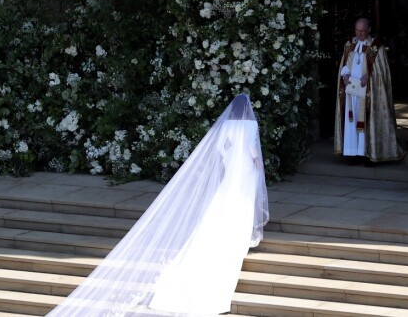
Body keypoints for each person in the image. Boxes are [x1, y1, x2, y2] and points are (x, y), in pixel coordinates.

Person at [46, 93, 269, 316]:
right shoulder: (250, 127)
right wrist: (256, 166)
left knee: (224, 201)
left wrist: (231, 160)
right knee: (242, 201)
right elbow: (253, 153)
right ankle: (238, 234)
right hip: (245, 172)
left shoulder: (227, 125)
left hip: (231, 170)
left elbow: (221, 149)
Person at [334, 18, 404, 163]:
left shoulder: (376, 46)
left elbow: (381, 72)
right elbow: (344, 63)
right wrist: (345, 74)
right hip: (351, 92)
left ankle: (368, 153)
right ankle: (352, 153)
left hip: (369, 92)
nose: (359, 33)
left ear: (369, 30)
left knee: (367, 121)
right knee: (351, 122)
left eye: (363, 31)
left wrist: (369, 76)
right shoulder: (349, 44)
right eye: (357, 30)